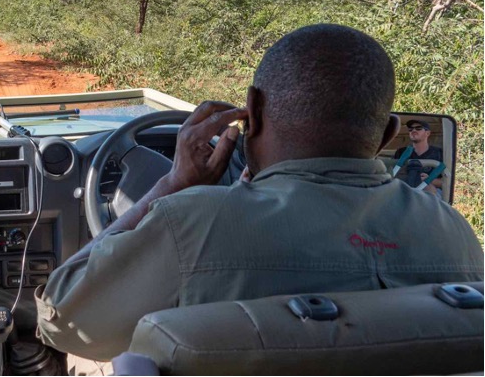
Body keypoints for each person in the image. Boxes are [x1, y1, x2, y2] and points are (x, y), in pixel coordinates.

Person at [35, 24, 483, 371]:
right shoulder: (456, 237)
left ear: (253, 111)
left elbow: (63, 323)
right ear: (387, 135)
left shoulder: (192, 222)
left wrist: (169, 186)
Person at [393, 119, 444, 195]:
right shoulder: (401, 152)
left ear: (427, 133)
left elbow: (446, 182)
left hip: (430, 193)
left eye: (418, 128)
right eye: (410, 129)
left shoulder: (439, 153)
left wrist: (429, 180)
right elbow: (392, 175)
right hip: (404, 190)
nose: (413, 130)